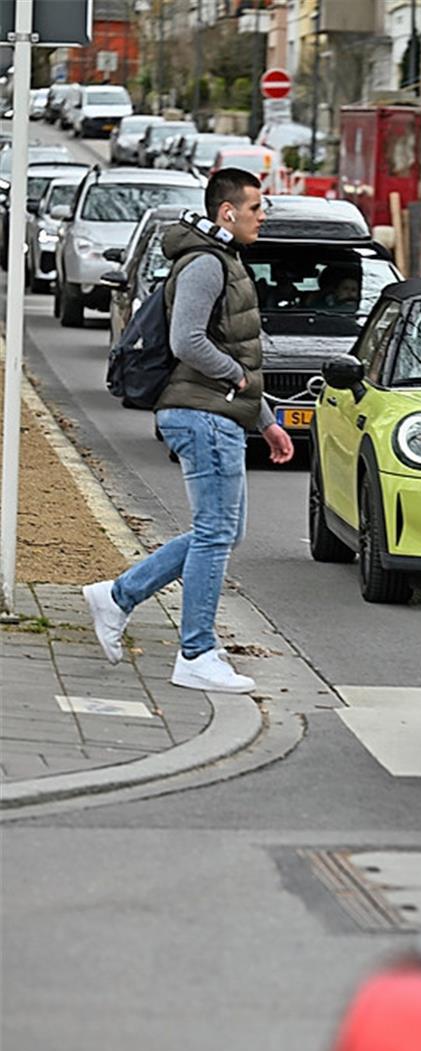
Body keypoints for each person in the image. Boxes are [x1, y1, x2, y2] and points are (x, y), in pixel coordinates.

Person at [83, 168, 294, 694]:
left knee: (221, 532)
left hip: (219, 412)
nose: (262, 216)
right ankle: (195, 652)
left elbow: (234, 344)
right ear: (228, 212)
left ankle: (119, 597)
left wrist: (266, 421)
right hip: (202, 414)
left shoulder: (223, 260)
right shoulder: (204, 264)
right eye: (256, 208)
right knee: (216, 533)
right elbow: (187, 341)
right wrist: (237, 377)